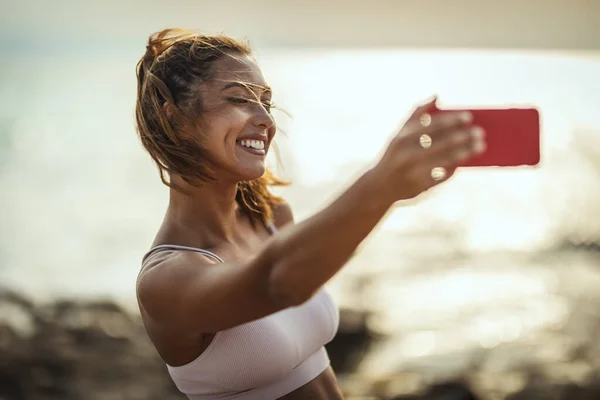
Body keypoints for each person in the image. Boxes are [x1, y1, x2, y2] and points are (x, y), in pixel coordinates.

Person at [134, 28, 486, 400]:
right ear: (173, 118)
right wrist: (382, 186)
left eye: (266, 103)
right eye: (239, 99)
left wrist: (390, 192)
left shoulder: (271, 217)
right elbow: (275, 283)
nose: (266, 120)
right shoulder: (164, 282)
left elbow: (298, 268)